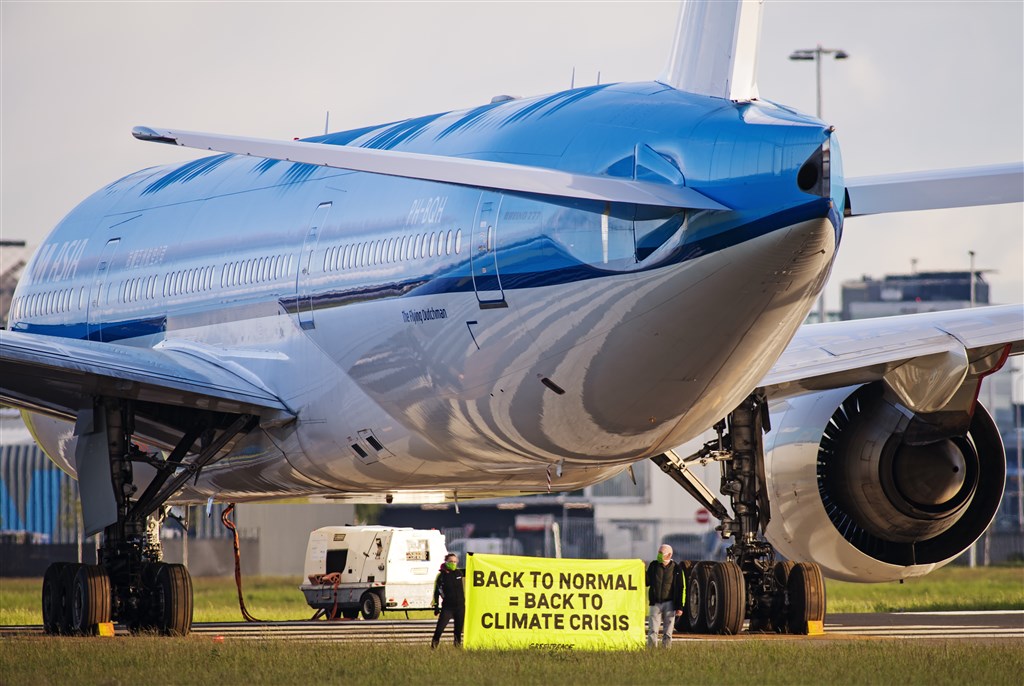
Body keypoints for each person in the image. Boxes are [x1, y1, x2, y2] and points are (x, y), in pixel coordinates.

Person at [646, 543, 683, 648]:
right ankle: (651, 651)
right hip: (655, 603)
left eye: (661, 553)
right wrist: (642, 571)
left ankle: (666, 650)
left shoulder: (676, 568)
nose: (659, 555)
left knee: (668, 631)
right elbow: (646, 582)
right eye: (658, 552)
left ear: (669, 555)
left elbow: (681, 588)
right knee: (652, 630)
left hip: (670, 604)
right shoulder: (653, 566)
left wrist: (680, 607)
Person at [431, 553, 466, 648]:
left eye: (455, 562)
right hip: (448, 608)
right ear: (446, 562)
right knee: (439, 630)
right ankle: (433, 648)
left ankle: (457, 649)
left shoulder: (459, 573)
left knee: (458, 632)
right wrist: (436, 606)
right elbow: (436, 591)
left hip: (460, 607)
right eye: (451, 561)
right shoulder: (441, 576)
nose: (453, 563)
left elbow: (472, 569)